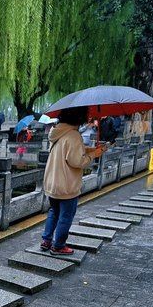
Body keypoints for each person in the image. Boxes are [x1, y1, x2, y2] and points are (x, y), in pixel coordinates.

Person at [41, 107, 104, 255]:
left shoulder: (57, 132)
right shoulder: (74, 135)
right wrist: (94, 154)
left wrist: (88, 149)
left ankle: (46, 240)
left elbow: (66, 151)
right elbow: (77, 161)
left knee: (54, 212)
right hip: (67, 184)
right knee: (66, 215)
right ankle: (58, 246)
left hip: (53, 182)